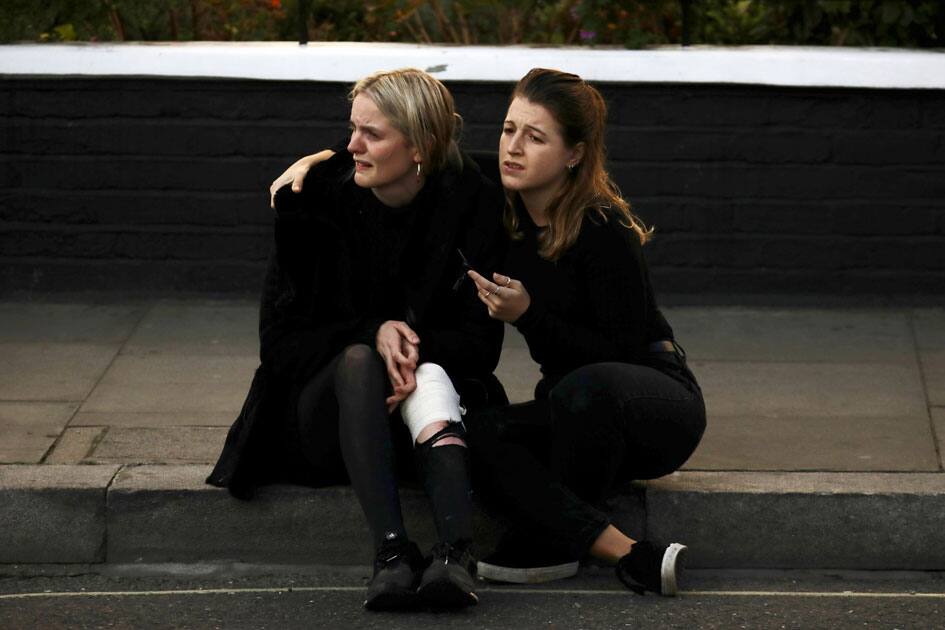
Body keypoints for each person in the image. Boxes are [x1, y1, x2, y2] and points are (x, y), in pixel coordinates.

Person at [206, 68, 507, 610]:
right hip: (325, 422)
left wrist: (410, 349)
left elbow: (481, 348)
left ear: (421, 147)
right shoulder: (314, 200)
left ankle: (452, 556)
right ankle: (392, 553)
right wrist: (374, 333)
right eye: (352, 129)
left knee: (432, 372)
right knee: (358, 360)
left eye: (373, 134)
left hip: (424, 416)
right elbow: (279, 348)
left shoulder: (471, 203)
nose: (351, 145)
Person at [463, 68, 706, 596]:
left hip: (652, 405)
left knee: (584, 386)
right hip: (576, 414)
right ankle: (622, 551)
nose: (513, 148)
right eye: (508, 130)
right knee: (474, 431)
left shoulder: (604, 230)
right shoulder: (503, 199)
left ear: (573, 154)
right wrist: (320, 159)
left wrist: (527, 315)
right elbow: (419, 153)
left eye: (535, 136)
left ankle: (550, 536)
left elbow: (617, 354)